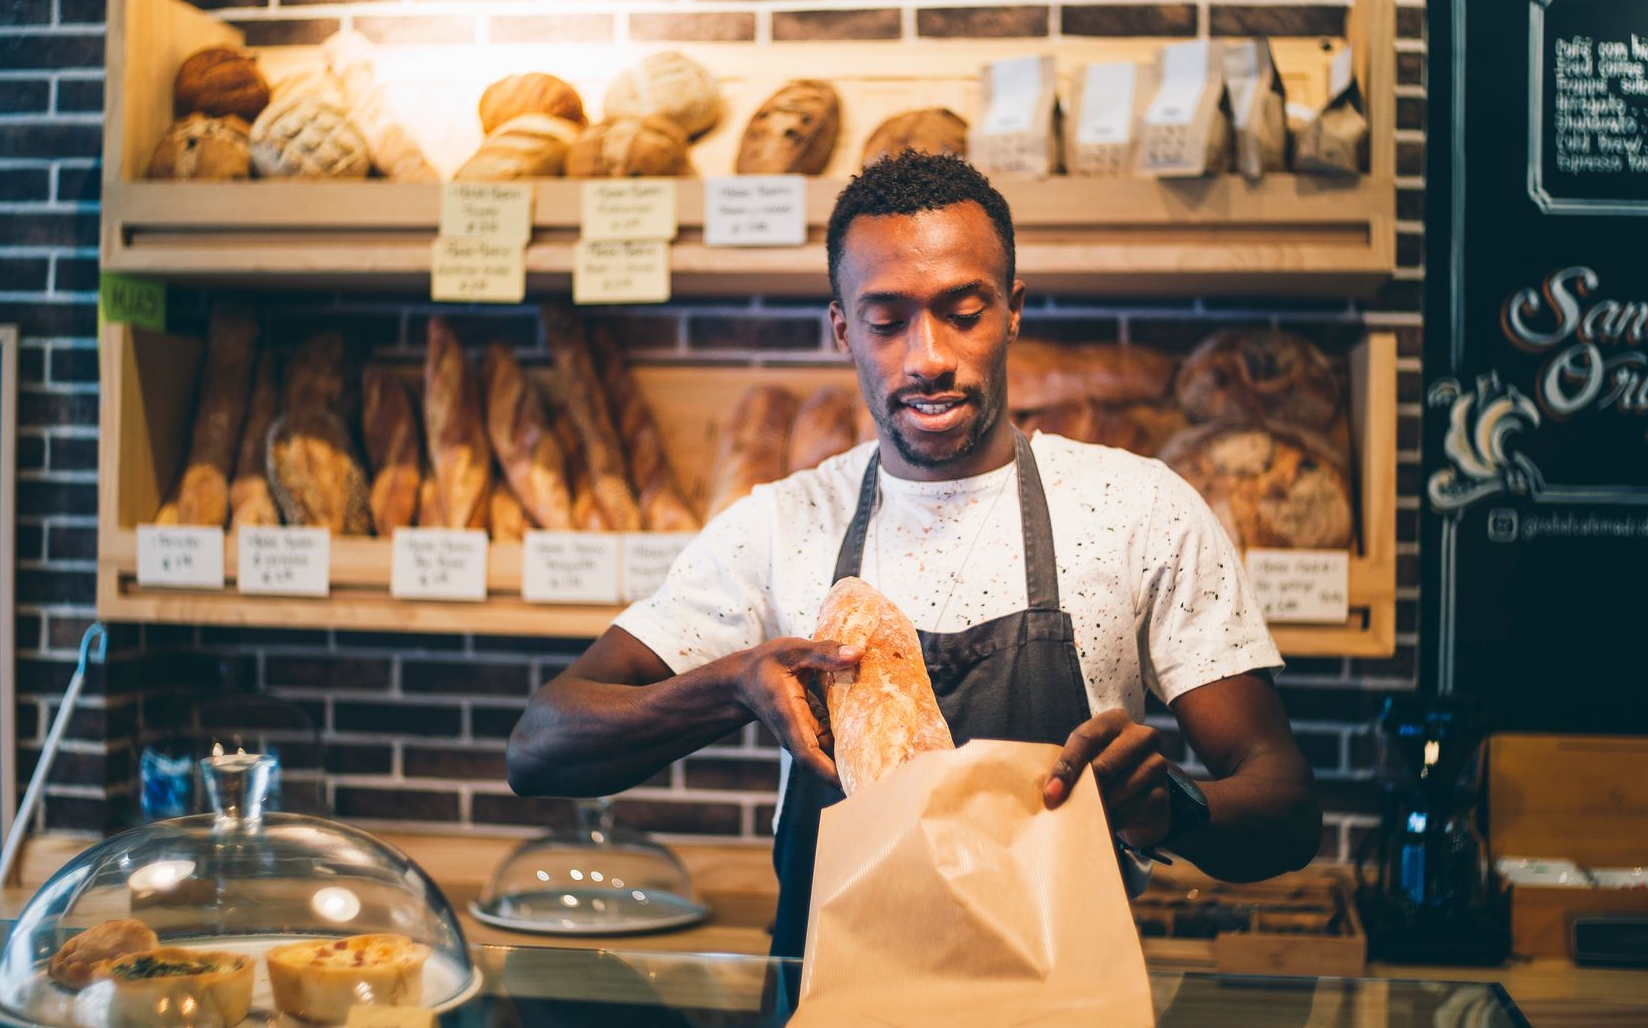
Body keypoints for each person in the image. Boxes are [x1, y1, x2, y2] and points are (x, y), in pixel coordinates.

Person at [508, 151, 1321, 959]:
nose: (926, 356)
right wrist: (730, 688)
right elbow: (539, 747)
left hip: (1064, 1024)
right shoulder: (782, 524)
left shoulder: (1137, 507)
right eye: (886, 320)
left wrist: (1174, 807)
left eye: (961, 312)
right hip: (829, 1025)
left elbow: (1285, 808)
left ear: (1012, 312)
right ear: (842, 330)